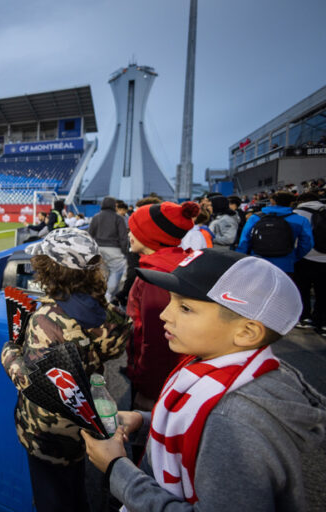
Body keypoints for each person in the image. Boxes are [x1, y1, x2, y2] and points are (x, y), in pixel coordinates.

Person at [81, 249, 326, 511]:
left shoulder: (233, 422)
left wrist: (117, 470)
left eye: (185, 308)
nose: (165, 314)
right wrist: (143, 422)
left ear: (246, 332)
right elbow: (194, 424)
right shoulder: (221, 366)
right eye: (171, 301)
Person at [1, 228, 131, 512]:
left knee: (52, 497)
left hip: (49, 430)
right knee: (73, 487)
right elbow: (114, 348)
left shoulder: (46, 320)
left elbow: (31, 380)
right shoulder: (111, 313)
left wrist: (10, 353)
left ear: (49, 270)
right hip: (85, 421)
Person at [125, 201, 198, 411]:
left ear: (150, 236)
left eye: (134, 229)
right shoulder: (176, 263)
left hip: (159, 383)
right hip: (175, 376)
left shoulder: (156, 276)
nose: (129, 234)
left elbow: (157, 340)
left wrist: (149, 391)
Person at [236, 190, 313, 276]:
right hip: (286, 264)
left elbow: (244, 241)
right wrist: (294, 257)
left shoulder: (255, 217)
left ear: (272, 201)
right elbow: (307, 244)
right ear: (292, 203)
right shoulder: (301, 220)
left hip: (258, 262)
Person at [293, 192, 326, 336]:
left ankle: (305, 318)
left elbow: (294, 238)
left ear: (301, 201)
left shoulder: (297, 213)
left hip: (305, 258)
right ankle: (323, 323)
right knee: (323, 292)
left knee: (303, 289)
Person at [89, 196, 129, 301]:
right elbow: (123, 237)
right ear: (113, 206)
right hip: (114, 249)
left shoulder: (96, 217)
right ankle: (108, 295)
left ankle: (97, 293)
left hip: (98, 248)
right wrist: (124, 252)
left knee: (101, 271)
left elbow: (89, 235)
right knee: (116, 271)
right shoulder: (118, 218)